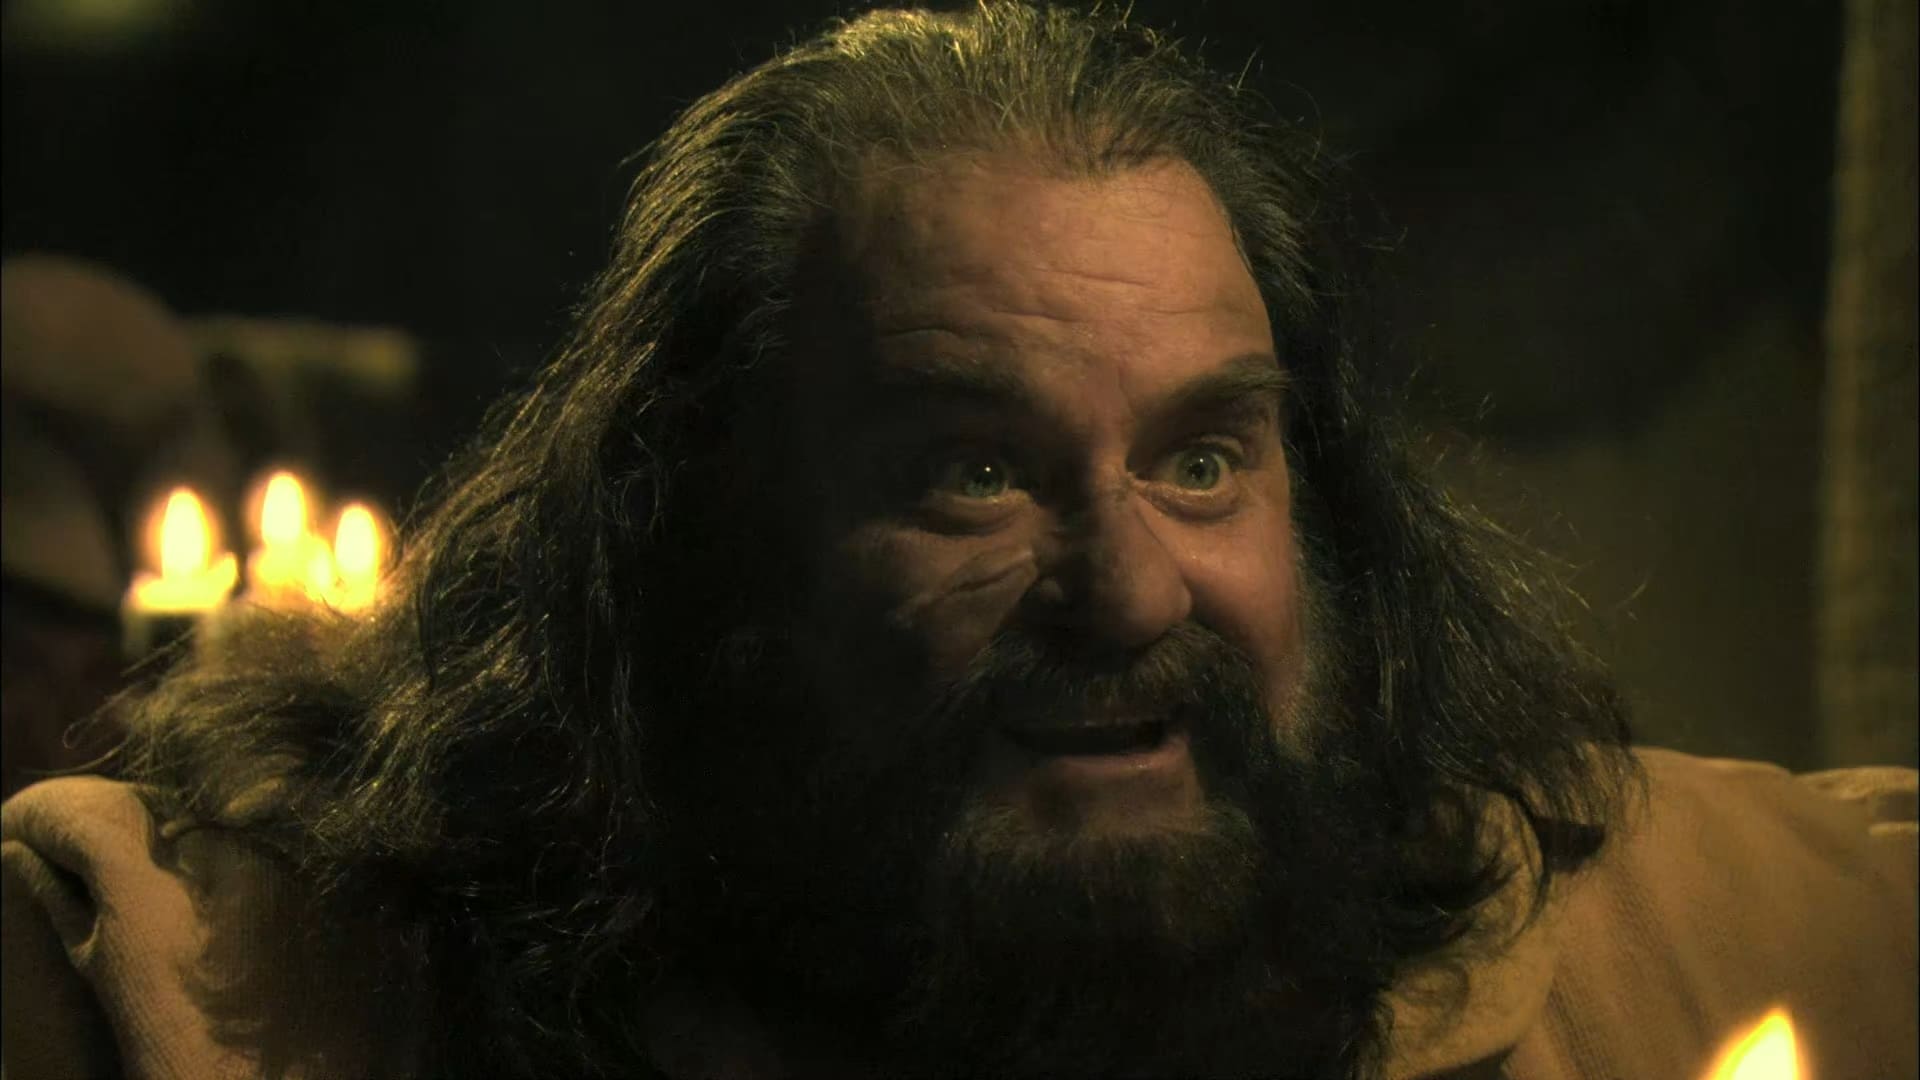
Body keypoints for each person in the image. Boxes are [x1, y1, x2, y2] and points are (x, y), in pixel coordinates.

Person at [2, 5, 1913, 1078]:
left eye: (1203, 460)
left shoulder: (1729, 932)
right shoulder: (223, 997)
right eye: (971, 474)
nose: (1131, 591)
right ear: (700, 554)